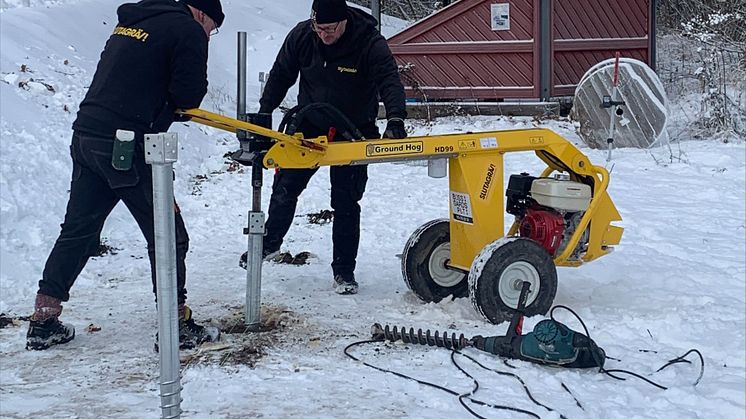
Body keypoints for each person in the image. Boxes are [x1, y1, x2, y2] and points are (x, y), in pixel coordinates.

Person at [25, 0, 225, 351]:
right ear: (203, 14)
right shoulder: (188, 30)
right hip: (127, 144)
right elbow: (187, 95)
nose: (210, 34)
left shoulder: (136, 21)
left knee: (79, 229)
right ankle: (174, 323)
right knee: (167, 232)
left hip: (88, 135)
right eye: (213, 28)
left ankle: (43, 320)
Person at [243, 0, 407, 295]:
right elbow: (281, 73)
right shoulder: (303, 36)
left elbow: (389, 80)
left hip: (353, 127)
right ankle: (269, 243)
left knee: (345, 201)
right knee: (285, 185)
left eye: (330, 29)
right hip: (310, 123)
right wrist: (265, 111)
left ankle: (344, 271)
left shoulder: (369, 41)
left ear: (343, 21)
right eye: (319, 28)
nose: (324, 35)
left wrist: (395, 119)